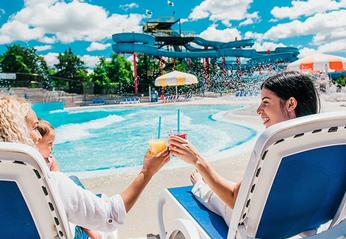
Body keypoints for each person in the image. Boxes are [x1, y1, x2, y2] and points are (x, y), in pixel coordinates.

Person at [0, 94, 170, 238]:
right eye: (34, 127)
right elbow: (111, 215)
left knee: (73, 181)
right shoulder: (49, 183)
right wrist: (147, 171)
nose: (38, 136)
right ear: (18, 133)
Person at [169, 71, 320, 226]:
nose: (259, 109)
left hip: (262, 228)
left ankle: (200, 186)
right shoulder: (323, 143)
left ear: (290, 104)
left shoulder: (276, 149)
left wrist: (197, 160)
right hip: (303, 223)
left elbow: (234, 198)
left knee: (214, 197)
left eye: (266, 102)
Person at [37, 119, 102, 239]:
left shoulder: (23, 166)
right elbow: (62, 193)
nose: (52, 147)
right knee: (74, 181)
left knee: (73, 180)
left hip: (45, 213)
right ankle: (89, 226)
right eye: (49, 144)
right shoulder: (49, 162)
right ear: (35, 142)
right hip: (58, 219)